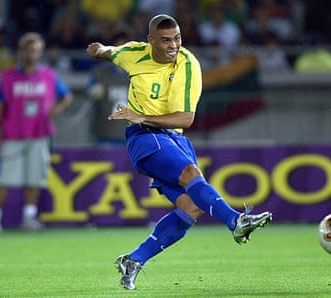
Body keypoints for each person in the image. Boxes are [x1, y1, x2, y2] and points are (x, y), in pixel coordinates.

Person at [86, 14, 272, 290]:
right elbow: (113, 53)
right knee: (190, 174)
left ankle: (134, 260)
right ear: (151, 41)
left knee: (191, 208)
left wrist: (142, 115)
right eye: (165, 40)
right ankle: (236, 220)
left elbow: (185, 119)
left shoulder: (188, 64)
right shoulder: (135, 53)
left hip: (173, 137)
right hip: (144, 138)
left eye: (177, 39)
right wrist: (99, 50)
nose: (173, 45)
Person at [0, 32, 73, 234]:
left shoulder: (49, 76)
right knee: (4, 178)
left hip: (39, 134)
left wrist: (57, 110)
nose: (31, 54)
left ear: (40, 52)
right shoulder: (8, 76)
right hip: (13, 134)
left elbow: (66, 96)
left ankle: (28, 218)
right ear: (21, 51)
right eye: (28, 50)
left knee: (35, 177)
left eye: (35, 50)